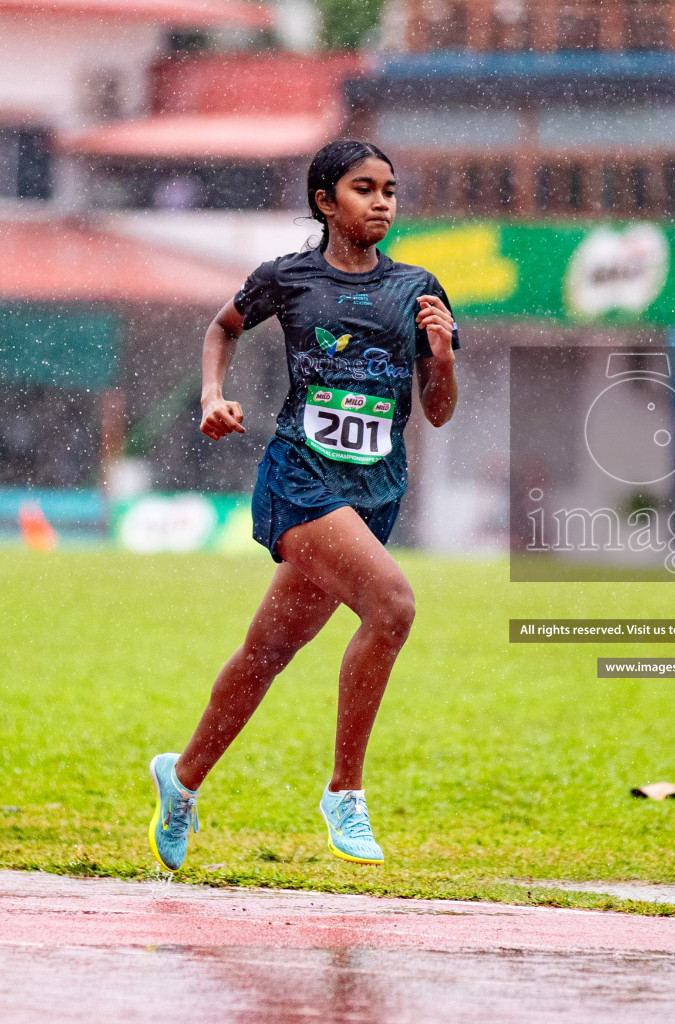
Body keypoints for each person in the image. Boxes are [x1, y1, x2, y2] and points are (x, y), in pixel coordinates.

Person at [146, 140, 459, 870]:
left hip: (374, 492)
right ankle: (344, 791)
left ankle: (182, 777)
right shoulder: (287, 280)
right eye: (364, 189)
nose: (382, 202)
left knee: (267, 653)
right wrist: (212, 395)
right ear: (326, 202)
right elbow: (222, 326)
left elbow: (438, 412)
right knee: (393, 605)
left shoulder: (418, 288)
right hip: (299, 479)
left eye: (390, 189)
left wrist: (441, 357)